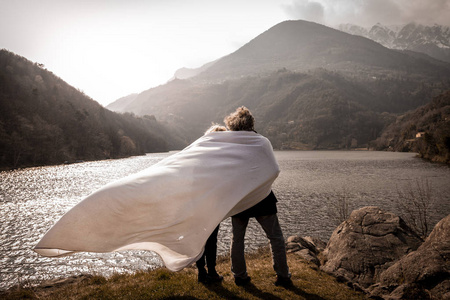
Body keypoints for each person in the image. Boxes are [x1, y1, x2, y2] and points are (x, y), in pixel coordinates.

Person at [224, 106, 292, 287]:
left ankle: (239, 276)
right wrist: (262, 184)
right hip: (262, 197)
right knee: (275, 237)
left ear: (233, 125)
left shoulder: (229, 144)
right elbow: (275, 170)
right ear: (251, 123)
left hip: (240, 199)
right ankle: (283, 276)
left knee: (237, 239)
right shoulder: (262, 142)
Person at [196, 124, 227, 283]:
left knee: (201, 239)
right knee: (211, 239)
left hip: (197, 204)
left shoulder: (199, 155)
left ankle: (202, 272)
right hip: (211, 205)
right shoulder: (221, 158)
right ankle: (211, 271)